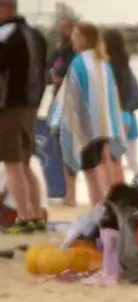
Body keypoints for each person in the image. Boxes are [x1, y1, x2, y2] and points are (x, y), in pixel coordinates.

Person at [50, 22, 126, 206]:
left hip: (86, 126)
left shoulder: (79, 62)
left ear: (85, 39)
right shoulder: (102, 63)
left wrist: (55, 120)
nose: (72, 39)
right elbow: (111, 99)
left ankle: (99, 212)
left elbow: (70, 96)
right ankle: (102, 210)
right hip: (103, 126)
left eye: (76, 36)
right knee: (95, 170)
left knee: (92, 173)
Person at [0, 0, 48, 234]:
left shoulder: (5, 36)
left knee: (12, 164)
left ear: (5, 9)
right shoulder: (36, 36)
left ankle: (24, 216)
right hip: (32, 106)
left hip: (11, 107)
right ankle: (37, 215)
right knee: (25, 164)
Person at [103, 28, 138, 178]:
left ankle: (117, 193)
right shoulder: (126, 67)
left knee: (114, 159)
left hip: (117, 121)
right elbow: (136, 98)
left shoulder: (110, 67)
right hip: (129, 119)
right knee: (133, 162)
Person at [48, 16, 76, 206]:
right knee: (57, 138)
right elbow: (48, 69)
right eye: (62, 26)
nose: (63, 30)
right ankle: (68, 193)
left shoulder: (76, 54)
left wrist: (62, 79)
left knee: (70, 146)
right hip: (57, 103)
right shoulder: (58, 51)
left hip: (72, 105)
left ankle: (72, 194)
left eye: (67, 27)